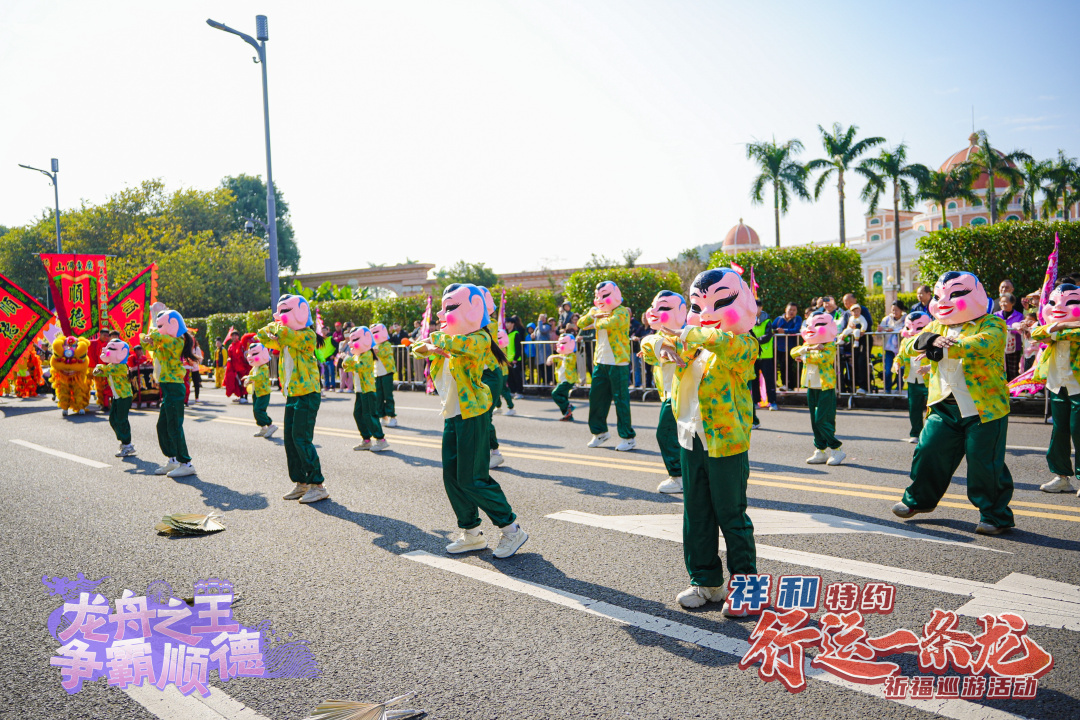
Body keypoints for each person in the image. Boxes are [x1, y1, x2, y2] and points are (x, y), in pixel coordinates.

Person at [651, 269, 759, 613]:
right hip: (690, 438)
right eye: (698, 306)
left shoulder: (744, 343)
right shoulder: (692, 343)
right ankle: (706, 581)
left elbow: (724, 344)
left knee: (731, 515)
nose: (707, 312)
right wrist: (661, 344)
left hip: (726, 443)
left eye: (720, 302)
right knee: (696, 514)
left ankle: (747, 589)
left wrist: (690, 331)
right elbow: (651, 344)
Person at [410, 283, 528, 559]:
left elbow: (455, 345)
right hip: (452, 414)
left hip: (472, 414)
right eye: (442, 308)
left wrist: (436, 344)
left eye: (450, 308)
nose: (441, 314)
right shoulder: (450, 337)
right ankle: (471, 533)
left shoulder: (479, 338)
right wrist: (432, 346)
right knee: (452, 477)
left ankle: (512, 529)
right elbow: (417, 347)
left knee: (473, 478)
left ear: (474, 310)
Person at [893, 271, 1014, 535]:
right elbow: (910, 344)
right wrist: (929, 340)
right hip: (943, 404)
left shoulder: (992, 322)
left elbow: (982, 344)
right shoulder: (936, 325)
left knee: (985, 464)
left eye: (956, 294)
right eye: (939, 296)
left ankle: (995, 515)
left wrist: (944, 346)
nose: (944, 301)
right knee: (928, 451)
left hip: (984, 407)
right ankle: (919, 500)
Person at [257, 294, 329, 504]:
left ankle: (317, 485)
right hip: (292, 394)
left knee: (301, 438)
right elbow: (263, 336)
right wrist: (275, 323)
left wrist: (277, 324)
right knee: (290, 439)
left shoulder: (306, 335)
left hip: (307, 393)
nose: (280, 316)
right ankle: (301, 482)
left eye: (285, 311)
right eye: (279, 311)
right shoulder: (286, 336)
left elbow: (282, 333)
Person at [1031, 283, 1080, 496]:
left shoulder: (1058, 329)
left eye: (1072, 302)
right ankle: (1061, 477)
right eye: (1053, 302)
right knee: (1059, 432)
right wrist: (1062, 325)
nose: (1059, 307)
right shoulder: (1055, 325)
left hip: (1078, 386)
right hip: (1057, 385)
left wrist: (1054, 331)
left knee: (1079, 430)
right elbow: (1036, 333)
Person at [578, 281, 636, 451]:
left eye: (605, 295)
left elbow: (610, 323)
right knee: (596, 398)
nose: (600, 299)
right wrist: (594, 314)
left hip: (618, 363)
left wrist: (596, 319)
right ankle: (599, 432)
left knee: (621, 400)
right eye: (598, 296)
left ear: (616, 295)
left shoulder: (622, 311)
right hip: (601, 361)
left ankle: (628, 437)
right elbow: (581, 323)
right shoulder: (596, 311)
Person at [141, 304, 198, 478]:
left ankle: (186, 463)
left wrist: (153, 327)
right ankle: (172, 459)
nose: (158, 328)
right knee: (162, 426)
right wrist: (149, 338)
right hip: (167, 386)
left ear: (174, 324)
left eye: (161, 325)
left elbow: (156, 337)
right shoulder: (164, 342)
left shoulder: (176, 341)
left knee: (174, 426)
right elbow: (147, 344)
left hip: (174, 386)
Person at [640, 290, 688, 493]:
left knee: (666, 434)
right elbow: (648, 346)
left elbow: (655, 344)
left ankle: (679, 477)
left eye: (663, 307)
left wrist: (661, 346)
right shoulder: (660, 337)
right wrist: (659, 347)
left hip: (681, 394)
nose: (654, 311)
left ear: (682, 312)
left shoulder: (686, 336)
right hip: (670, 393)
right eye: (653, 306)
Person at [791, 311, 846, 466]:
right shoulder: (808, 345)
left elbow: (823, 358)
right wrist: (809, 349)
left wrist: (804, 356)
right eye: (810, 325)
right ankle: (820, 450)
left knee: (823, 419)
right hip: (812, 386)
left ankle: (836, 449)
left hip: (825, 386)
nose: (812, 328)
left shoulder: (830, 345)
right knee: (814, 421)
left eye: (819, 324)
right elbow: (793, 352)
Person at [342, 326, 389, 452]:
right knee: (358, 414)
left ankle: (381, 440)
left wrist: (348, 360)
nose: (351, 343)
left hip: (367, 390)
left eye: (354, 340)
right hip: (359, 390)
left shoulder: (368, 354)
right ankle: (366, 440)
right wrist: (345, 360)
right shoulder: (357, 355)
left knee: (369, 415)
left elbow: (361, 367)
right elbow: (349, 367)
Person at [93, 339, 136, 458]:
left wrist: (99, 367)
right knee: (113, 419)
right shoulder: (111, 366)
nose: (107, 351)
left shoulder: (121, 367)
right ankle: (124, 441)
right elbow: (102, 372)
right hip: (117, 397)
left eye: (111, 349)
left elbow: (106, 370)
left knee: (121, 420)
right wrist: (98, 370)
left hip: (124, 397)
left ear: (122, 353)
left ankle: (127, 444)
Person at [895, 312, 932, 442]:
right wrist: (896, 363)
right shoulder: (905, 341)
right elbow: (900, 355)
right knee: (914, 408)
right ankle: (916, 433)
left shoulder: (932, 341)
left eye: (919, 327)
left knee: (933, 409)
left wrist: (929, 367)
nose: (912, 331)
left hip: (929, 380)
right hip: (912, 380)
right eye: (908, 327)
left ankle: (931, 434)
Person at [243, 341, 277, 439]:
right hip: (256, 392)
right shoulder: (255, 367)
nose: (250, 357)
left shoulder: (264, 367)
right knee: (256, 411)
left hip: (263, 393)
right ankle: (263, 428)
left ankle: (270, 425)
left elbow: (259, 377)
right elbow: (252, 376)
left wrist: (250, 378)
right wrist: (248, 380)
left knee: (259, 410)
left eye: (254, 354)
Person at [749, 301, 776, 415]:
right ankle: (756, 401)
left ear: (761, 307)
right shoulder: (749, 320)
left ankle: (772, 402)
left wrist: (755, 340)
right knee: (754, 379)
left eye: (757, 307)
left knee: (769, 379)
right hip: (753, 355)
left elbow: (768, 336)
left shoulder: (767, 320)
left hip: (765, 355)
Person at [370, 323, 398, 427]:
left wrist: (371, 350)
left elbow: (381, 353)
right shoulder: (374, 346)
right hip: (377, 374)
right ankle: (383, 416)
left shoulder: (387, 345)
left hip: (387, 373)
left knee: (388, 396)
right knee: (379, 397)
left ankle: (392, 417)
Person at [547, 333, 580, 421]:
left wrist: (557, 356)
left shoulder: (572, 355)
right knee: (563, 397)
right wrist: (550, 359)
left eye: (563, 343)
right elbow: (553, 357)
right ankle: (568, 415)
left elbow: (569, 360)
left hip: (568, 380)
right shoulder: (562, 355)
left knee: (555, 393)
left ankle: (568, 406)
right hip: (562, 380)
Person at [771, 303, 802, 391]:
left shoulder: (797, 319)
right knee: (779, 366)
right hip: (779, 347)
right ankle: (782, 384)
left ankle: (790, 385)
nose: (792, 312)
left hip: (791, 347)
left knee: (788, 366)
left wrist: (784, 331)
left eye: (794, 310)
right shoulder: (779, 319)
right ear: (785, 310)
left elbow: (796, 330)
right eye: (790, 309)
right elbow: (771, 328)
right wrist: (776, 331)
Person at [878, 301, 907, 393]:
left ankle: (899, 389)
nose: (894, 312)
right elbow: (880, 331)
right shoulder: (886, 319)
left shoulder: (906, 319)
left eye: (896, 310)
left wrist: (895, 330)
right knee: (888, 370)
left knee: (901, 370)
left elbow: (907, 330)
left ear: (901, 310)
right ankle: (887, 389)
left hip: (901, 349)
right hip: (889, 349)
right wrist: (881, 330)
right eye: (893, 310)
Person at [997, 293, 1024, 380]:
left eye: (1005, 302)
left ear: (1012, 303)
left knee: (1013, 370)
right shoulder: (995, 315)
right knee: (1000, 369)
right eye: (1001, 302)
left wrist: (1009, 328)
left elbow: (1020, 330)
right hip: (1000, 347)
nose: (1003, 304)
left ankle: (1013, 387)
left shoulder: (1019, 316)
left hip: (1014, 347)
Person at [87, 328, 112, 411]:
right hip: (90, 367)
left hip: (100, 368)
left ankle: (102, 403)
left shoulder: (108, 345)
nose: (106, 337)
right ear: (100, 335)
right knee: (86, 386)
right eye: (104, 335)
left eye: (107, 336)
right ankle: (83, 403)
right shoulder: (91, 343)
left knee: (100, 387)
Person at [224, 331, 250, 404]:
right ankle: (241, 396)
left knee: (244, 382)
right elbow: (230, 356)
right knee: (237, 383)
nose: (234, 337)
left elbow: (246, 354)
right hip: (235, 368)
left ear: (238, 336)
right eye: (233, 336)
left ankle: (245, 397)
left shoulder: (241, 344)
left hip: (243, 367)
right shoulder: (230, 346)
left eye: (235, 335)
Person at [505, 315, 525, 398]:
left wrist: (515, 358)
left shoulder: (516, 334)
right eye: (506, 323)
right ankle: (512, 391)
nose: (507, 324)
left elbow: (518, 347)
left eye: (508, 323)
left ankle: (519, 392)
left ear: (513, 324)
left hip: (515, 359)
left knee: (517, 376)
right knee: (510, 377)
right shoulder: (507, 334)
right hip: (508, 359)